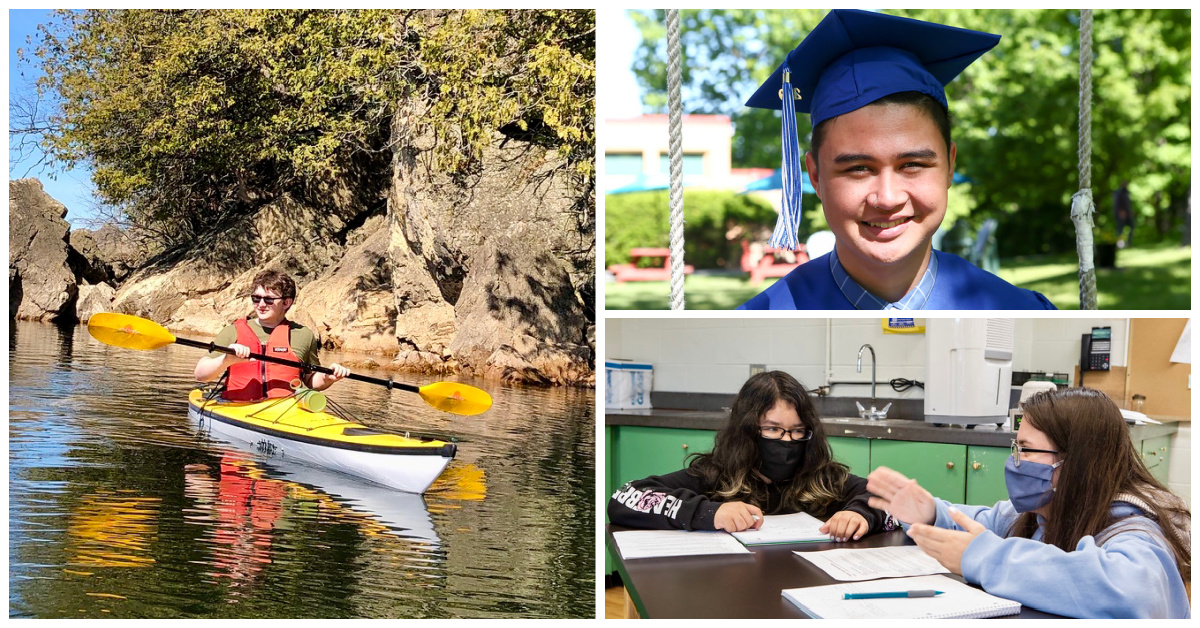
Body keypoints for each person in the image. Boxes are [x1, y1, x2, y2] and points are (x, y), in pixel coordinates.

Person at [737, 10, 1055, 310]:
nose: (887, 198)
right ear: (816, 176)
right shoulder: (764, 315)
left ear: (950, 164)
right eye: (858, 168)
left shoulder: (1016, 308)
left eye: (912, 165)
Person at [866, 387, 1190, 618]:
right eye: (1016, 447)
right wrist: (930, 512)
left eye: (1027, 449)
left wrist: (984, 558)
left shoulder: (1135, 529)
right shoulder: (1042, 509)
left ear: (1076, 461)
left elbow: (1131, 593)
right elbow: (984, 524)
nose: (1017, 461)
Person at [609, 371, 892, 541]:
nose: (787, 440)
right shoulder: (714, 476)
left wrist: (861, 514)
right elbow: (625, 497)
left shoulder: (824, 478)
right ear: (747, 429)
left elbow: (891, 502)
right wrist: (711, 512)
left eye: (797, 431)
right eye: (772, 429)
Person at [194, 269, 350, 399]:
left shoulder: (303, 335)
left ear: (286, 302)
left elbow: (310, 381)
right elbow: (201, 375)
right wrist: (226, 359)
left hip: (285, 412)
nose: (261, 305)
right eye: (256, 298)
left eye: (268, 300)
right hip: (237, 407)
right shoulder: (231, 331)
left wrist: (328, 378)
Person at [1113, 180, 1134, 247]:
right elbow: (1117, 204)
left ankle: (1129, 243)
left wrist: (1130, 211)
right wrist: (1120, 212)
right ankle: (1120, 244)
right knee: (1120, 230)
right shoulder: (1119, 192)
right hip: (1121, 214)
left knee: (1132, 227)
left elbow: (1128, 204)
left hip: (1127, 214)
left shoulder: (1127, 192)